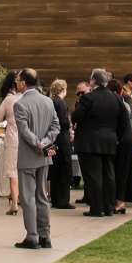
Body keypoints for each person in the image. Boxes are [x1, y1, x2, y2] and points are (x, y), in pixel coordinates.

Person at [11, 68, 59, 250]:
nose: (16, 83)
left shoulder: (20, 104)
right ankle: (45, 235)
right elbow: (56, 126)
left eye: (17, 80)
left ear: (24, 83)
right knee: (42, 196)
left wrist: (38, 144)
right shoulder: (48, 101)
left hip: (29, 156)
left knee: (28, 197)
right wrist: (46, 143)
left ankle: (32, 236)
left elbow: (24, 132)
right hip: (45, 155)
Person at [73, 70, 124, 218]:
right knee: (109, 175)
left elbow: (77, 116)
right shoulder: (116, 98)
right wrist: (115, 136)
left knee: (93, 176)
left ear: (94, 81)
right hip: (110, 141)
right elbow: (123, 121)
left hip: (90, 142)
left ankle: (96, 208)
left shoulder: (88, 98)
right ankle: (108, 207)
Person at [114, 73, 132, 208]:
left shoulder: (124, 96)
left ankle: (120, 201)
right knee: (126, 169)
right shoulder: (125, 95)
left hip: (127, 136)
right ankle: (120, 201)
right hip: (129, 135)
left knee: (124, 169)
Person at [48, 78, 78, 213]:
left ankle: (55, 198)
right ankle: (63, 200)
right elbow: (64, 122)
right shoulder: (61, 103)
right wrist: (71, 126)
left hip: (54, 139)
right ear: (62, 90)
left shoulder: (51, 102)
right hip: (62, 138)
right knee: (65, 167)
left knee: (55, 168)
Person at [0, 76, 23, 217]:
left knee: (13, 172)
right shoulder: (27, 98)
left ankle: (14, 203)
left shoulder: (9, 100)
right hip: (27, 138)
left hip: (13, 137)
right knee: (25, 169)